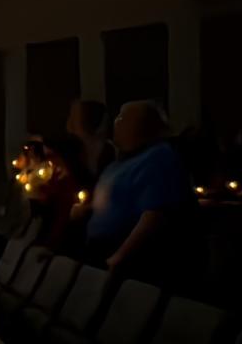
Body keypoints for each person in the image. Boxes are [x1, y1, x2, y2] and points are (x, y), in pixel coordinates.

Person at [79, 101, 192, 275]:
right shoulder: (118, 164)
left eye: (123, 118)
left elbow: (155, 215)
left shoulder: (157, 158)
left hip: (130, 260)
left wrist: (119, 257)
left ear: (144, 127)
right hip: (99, 253)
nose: (116, 122)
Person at [65, 99, 115, 182]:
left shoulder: (109, 153)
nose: (70, 122)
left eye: (75, 117)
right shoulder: (71, 152)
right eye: (71, 115)